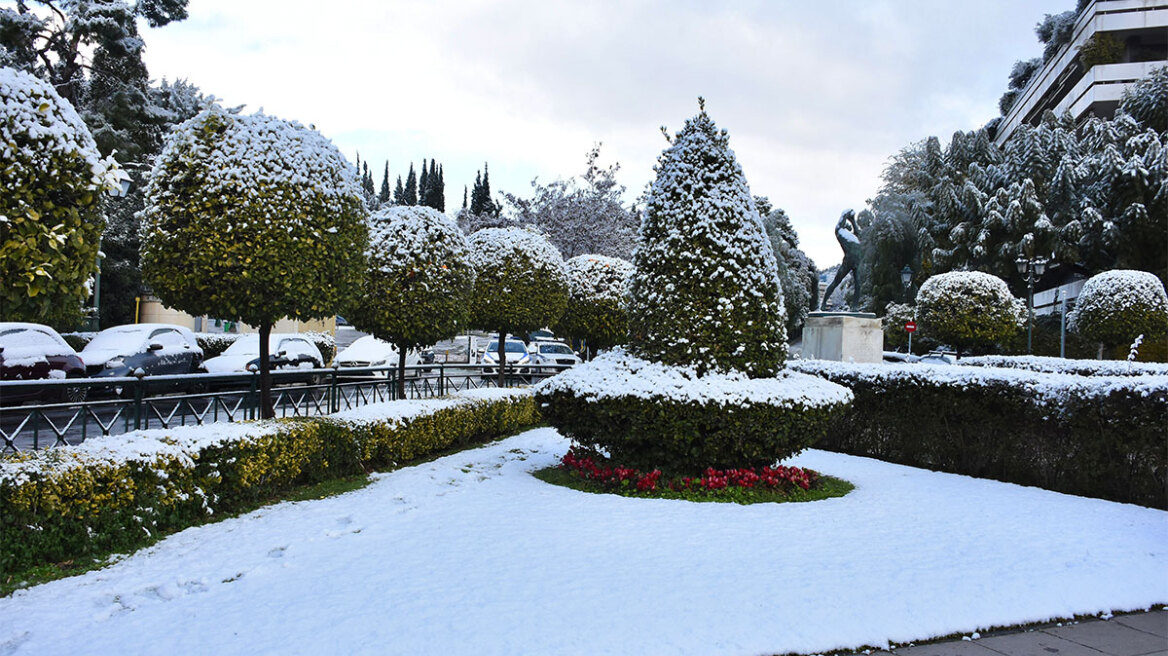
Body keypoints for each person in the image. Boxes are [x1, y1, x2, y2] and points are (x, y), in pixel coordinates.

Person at [820, 210, 862, 310]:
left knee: (858, 284)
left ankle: (855, 306)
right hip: (848, 261)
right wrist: (846, 214)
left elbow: (857, 232)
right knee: (836, 282)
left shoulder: (853, 237)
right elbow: (838, 226)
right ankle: (824, 303)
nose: (849, 226)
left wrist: (853, 220)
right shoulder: (841, 234)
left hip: (857, 262)